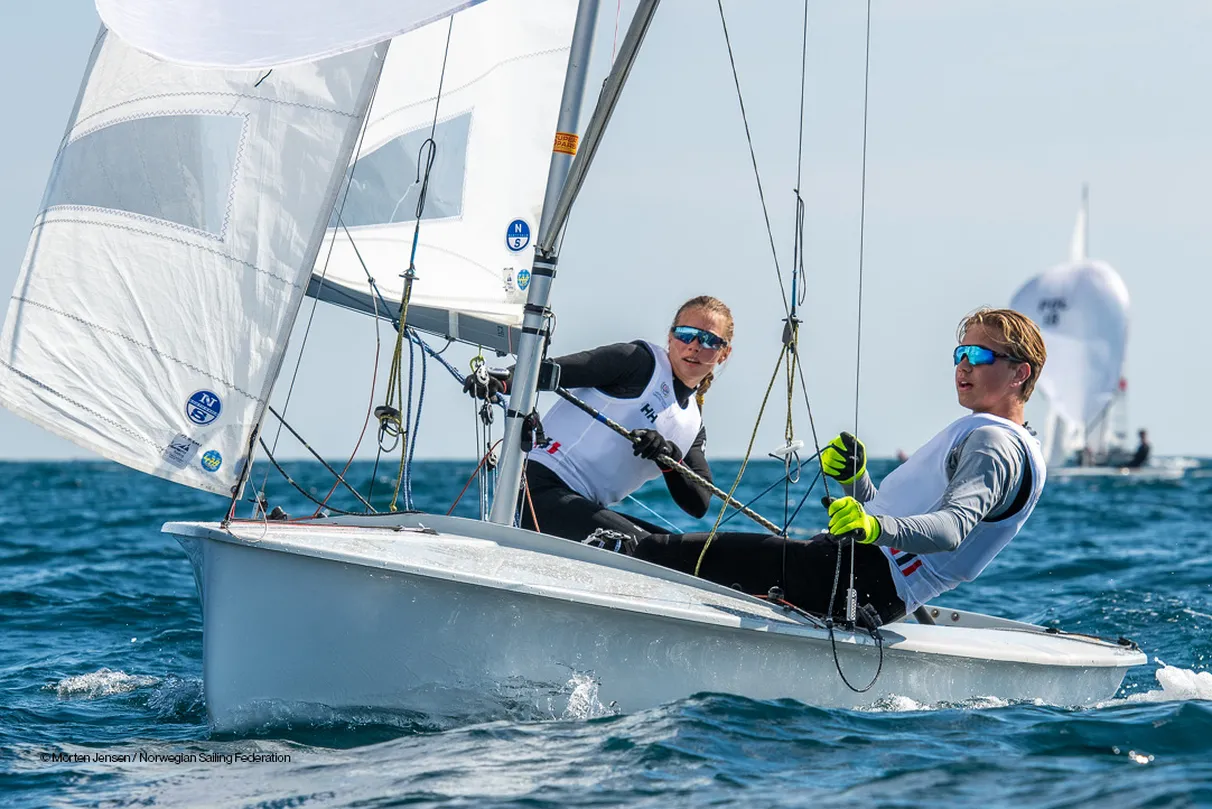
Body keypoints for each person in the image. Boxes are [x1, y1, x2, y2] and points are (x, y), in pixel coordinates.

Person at [629, 307, 1048, 625]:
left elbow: (951, 530)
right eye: (960, 353)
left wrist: (871, 527)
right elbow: (895, 525)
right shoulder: (1009, 440)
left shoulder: (994, 443)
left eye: (980, 355)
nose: (964, 365)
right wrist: (856, 481)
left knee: (656, 553)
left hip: (862, 581)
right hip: (863, 579)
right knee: (684, 549)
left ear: (1019, 374)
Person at [465, 295, 733, 548]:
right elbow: (552, 371)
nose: (694, 345)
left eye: (708, 340)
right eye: (685, 334)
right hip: (537, 491)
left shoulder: (692, 426)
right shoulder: (638, 363)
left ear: (723, 353)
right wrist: (501, 381)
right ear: (671, 337)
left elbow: (699, 503)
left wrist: (668, 458)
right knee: (650, 551)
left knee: (685, 555)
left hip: (581, 507)